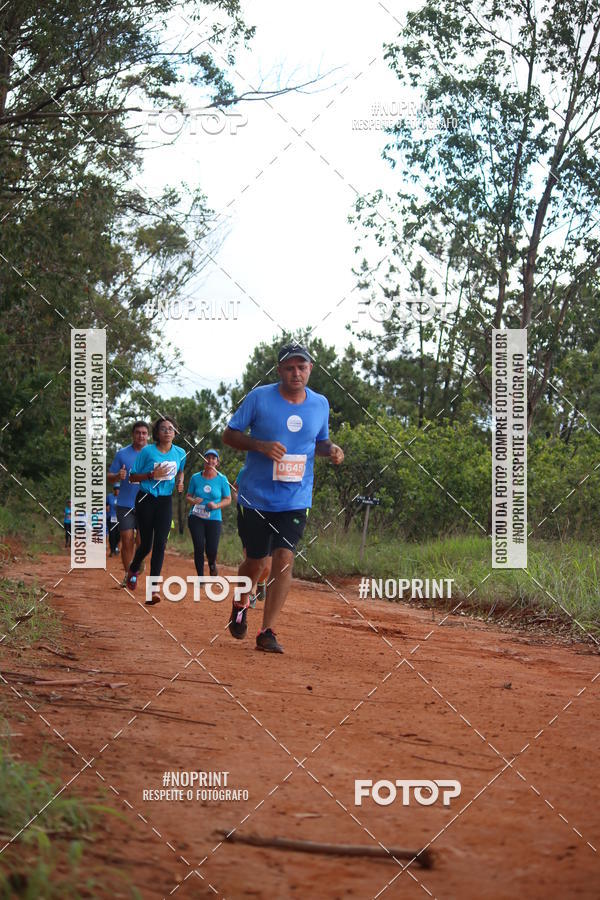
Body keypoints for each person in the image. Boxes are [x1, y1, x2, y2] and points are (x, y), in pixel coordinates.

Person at [223, 342, 344, 653]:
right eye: (289, 367)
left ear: (310, 369)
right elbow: (229, 435)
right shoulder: (259, 398)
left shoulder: (320, 404)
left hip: (295, 497)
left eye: (302, 367)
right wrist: (260, 445)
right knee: (255, 562)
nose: (296, 373)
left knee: (284, 559)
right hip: (256, 496)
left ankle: (267, 631)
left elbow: (320, 441)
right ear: (279, 370)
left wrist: (331, 449)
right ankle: (240, 603)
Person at [126, 416, 185, 604]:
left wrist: (180, 481)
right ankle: (134, 568)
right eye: (163, 429)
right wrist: (151, 474)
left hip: (165, 501)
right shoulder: (147, 451)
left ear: (175, 432)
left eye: (171, 428)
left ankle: (153, 590)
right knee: (146, 545)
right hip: (145, 499)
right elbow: (132, 477)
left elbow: (181, 470)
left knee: (161, 544)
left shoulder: (180, 452)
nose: (167, 431)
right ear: (157, 433)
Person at [108, 421, 149, 583]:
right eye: (138, 432)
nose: (141, 436)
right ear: (133, 434)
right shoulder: (122, 454)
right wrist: (117, 476)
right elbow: (109, 477)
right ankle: (128, 574)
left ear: (148, 436)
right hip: (125, 503)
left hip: (146, 503)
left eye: (144, 433)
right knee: (126, 539)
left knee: (142, 541)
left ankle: (140, 559)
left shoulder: (153, 453)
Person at [186, 449, 231, 578]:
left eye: (213, 458)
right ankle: (200, 577)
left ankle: (212, 564)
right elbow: (188, 496)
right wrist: (194, 501)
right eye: (207, 457)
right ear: (203, 460)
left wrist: (216, 505)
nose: (210, 460)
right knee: (199, 546)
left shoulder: (222, 479)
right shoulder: (195, 478)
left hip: (214, 518)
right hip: (196, 516)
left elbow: (228, 499)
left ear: (217, 462)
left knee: (212, 549)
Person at [232, 467, 272, 608]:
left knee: (266, 566)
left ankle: (260, 581)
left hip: (269, 519)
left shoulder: (275, 472)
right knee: (250, 558)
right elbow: (235, 488)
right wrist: (240, 501)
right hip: (247, 518)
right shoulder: (247, 469)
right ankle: (251, 593)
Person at [106, 485, 120, 556]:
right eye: (115, 489)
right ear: (113, 490)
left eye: (118, 489)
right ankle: (112, 550)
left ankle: (116, 547)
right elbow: (106, 504)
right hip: (111, 518)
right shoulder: (109, 496)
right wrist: (106, 507)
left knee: (118, 534)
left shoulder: (122, 497)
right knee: (112, 534)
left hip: (119, 518)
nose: (117, 490)